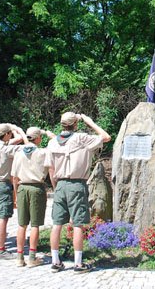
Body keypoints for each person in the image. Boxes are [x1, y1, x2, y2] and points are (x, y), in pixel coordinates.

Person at [45, 112, 110, 274]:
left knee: (57, 224)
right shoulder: (81, 138)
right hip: (77, 184)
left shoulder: (52, 142)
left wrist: (56, 187)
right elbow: (105, 137)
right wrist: (89, 121)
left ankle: (55, 262)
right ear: (75, 124)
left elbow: (50, 168)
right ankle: (78, 264)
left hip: (60, 185)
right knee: (78, 224)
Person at [11, 126, 55, 268]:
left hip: (22, 188)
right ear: (37, 138)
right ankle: (31, 256)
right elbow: (55, 143)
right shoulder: (42, 153)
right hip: (37, 188)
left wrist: (15, 194)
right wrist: (49, 134)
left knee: (22, 224)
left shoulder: (18, 152)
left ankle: (19, 257)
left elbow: (14, 177)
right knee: (35, 224)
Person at [0, 123, 28, 260]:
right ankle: (1, 250)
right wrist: (19, 130)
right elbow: (28, 147)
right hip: (3, 185)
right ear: (7, 134)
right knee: (3, 217)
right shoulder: (6, 149)